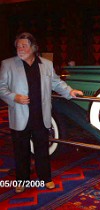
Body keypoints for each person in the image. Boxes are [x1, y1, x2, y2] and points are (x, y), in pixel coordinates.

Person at [0, 32, 83, 193]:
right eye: (18, 46)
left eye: (24, 45)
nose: (20, 49)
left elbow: (56, 83)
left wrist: (70, 91)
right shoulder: (8, 64)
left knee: (42, 149)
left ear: (33, 48)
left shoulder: (46, 64)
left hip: (41, 115)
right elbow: (1, 88)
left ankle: (45, 178)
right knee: (21, 150)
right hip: (20, 115)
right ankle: (22, 180)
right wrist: (14, 97)